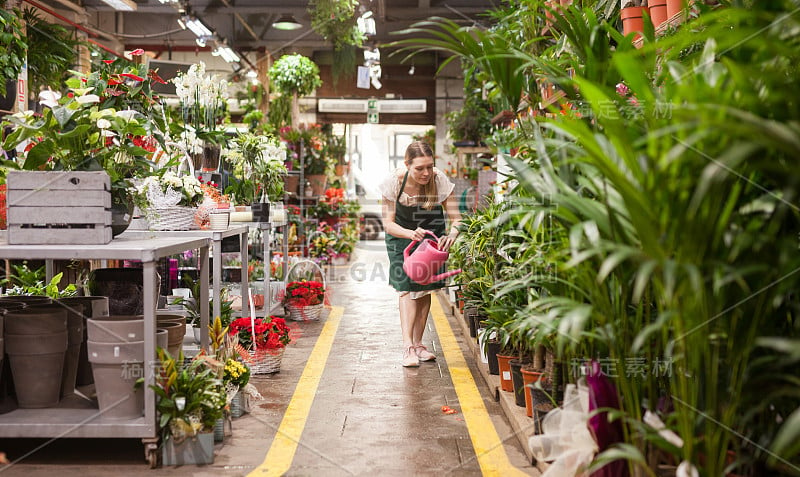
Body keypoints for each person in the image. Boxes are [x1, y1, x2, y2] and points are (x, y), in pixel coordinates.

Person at [380, 141, 462, 367]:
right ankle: (407, 347)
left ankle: (418, 344)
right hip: (401, 238)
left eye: (430, 166)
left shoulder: (439, 180)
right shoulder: (394, 183)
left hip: (431, 238)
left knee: (425, 289)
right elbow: (388, 223)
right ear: (407, 165)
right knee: (407, 288)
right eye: (419, 168)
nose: (426, 173)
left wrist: (452, 235)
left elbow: (457, 219)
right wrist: (408, 233)